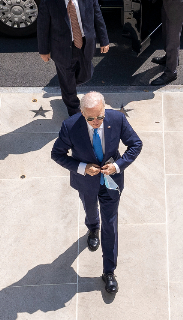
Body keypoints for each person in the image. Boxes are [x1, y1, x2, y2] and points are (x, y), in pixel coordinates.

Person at [50, 91, 142, 295]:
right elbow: (57, 154)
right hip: (86, 183)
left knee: (111, 224)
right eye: (90, 118)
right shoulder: (70, 126)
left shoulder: (117, 119)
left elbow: (135, 144)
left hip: (111, 182)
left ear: (104, 109)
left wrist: (118, 166)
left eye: (100, 116)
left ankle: (109, 272)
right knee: (91, 210)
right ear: (82, 113)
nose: (96, 122)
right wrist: (82, 167)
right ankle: (92, 228)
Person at [37, 0, 111, 116]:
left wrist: (104, 40)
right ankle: (73, 109)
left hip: (84, 44)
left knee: (87, 74)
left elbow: (98, 16)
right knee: (68, 81)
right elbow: (43, 28)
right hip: (62, 48)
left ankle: (67, 87)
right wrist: (43, 51)